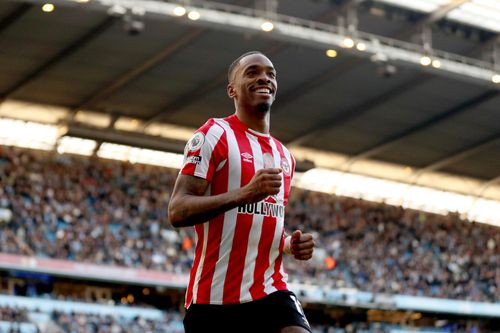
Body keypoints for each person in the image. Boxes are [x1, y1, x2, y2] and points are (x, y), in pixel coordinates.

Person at [168, 51, 315, 333]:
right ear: (231, 90)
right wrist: (244, 193)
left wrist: (287, 245)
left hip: (270, 291)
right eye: (252, 72)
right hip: (214, 301)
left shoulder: (284, 156)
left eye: (271, 74)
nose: (264, 78)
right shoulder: (214, 134)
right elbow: (177, 211)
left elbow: (263, 221)